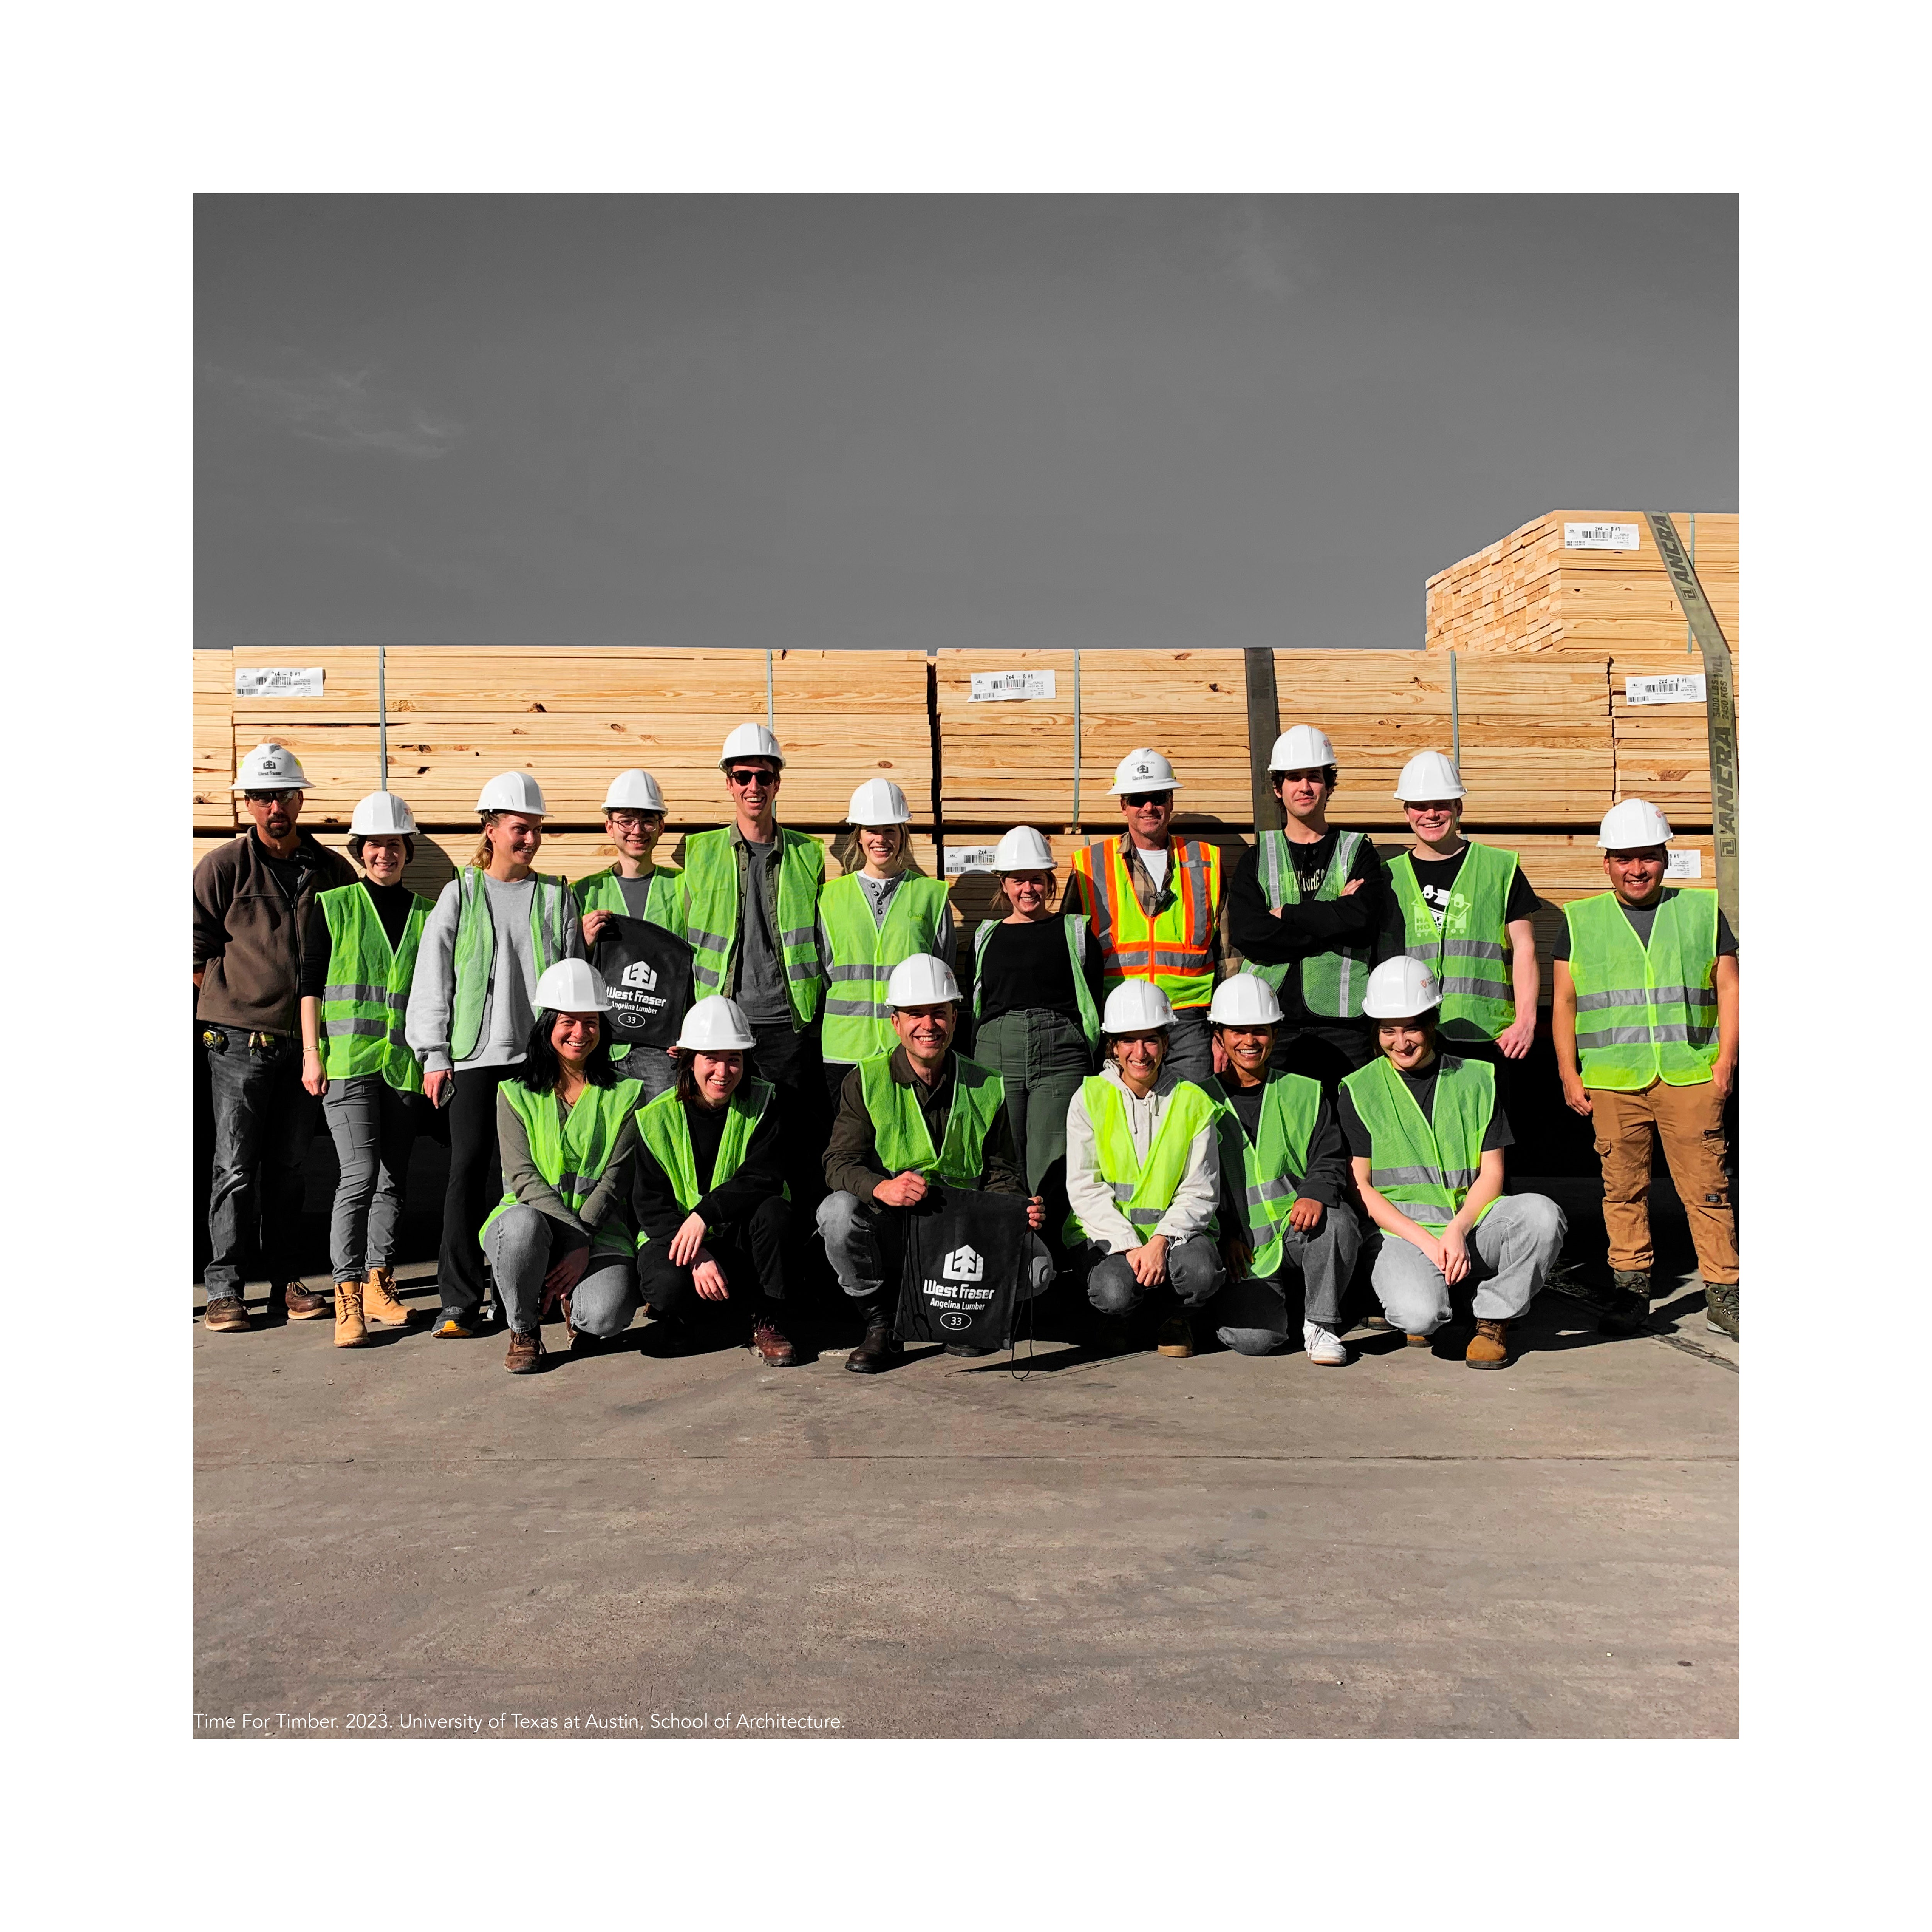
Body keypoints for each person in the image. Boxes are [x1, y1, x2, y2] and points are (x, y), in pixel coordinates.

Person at [1553, 798, 1740, 1340]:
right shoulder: (1580, 919)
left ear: (1666, 858)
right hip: (1613, 1080)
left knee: (1707, 1188)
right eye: (1625, 859)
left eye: (1649, 858)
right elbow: (1564, 1002)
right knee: (1623, 1190)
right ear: (1606, 863)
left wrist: (1726, 1061)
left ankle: (1724, 1293)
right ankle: (1630, 1293)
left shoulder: (1703, 912)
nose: (1638, 870)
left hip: (1690, 1074)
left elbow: (1728, 987)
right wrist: (1568, 1071)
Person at [406, 770, 581, 1340]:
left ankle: (518, 1300)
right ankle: (458, 1301)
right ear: (491, 829)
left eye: (535, 830)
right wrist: (434, 1055)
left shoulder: (559, 898)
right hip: (475, 1060)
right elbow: (433, 980)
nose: (528, 840)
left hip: (538, 1063)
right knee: (466, 1174)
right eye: (517, 829)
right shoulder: (462, 893)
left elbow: (575, 983)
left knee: (531, 1181)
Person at [818, 954, 1051, 1372]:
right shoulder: (865, 1079)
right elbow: (838, 1162)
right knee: (835, 1214)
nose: (928, 1025)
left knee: (1037, 1267)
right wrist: (879, 1187)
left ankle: (964, 1323)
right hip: (894, 1226)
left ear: (954, 1019)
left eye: (938, 1013)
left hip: (960, 1231)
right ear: (896, 1023)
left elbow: (1001, 1171)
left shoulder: (985, 1083)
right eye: (915, 1014)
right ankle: (882, 1326)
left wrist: (1017, 1209)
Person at [194, 742, 357, 1331]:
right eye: (261, 797)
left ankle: (286, 1280)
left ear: (299, 798)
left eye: (283, 795)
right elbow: (194, 947)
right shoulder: (223, 867)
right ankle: (225, 1289)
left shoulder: (331, 869)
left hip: (309, 1044)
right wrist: (229, 1007)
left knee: (290, 1167)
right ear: (248, 804)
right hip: (239, 1043)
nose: (273, 807)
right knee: (234, 1167)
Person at [1340, 958, 1566, 1369]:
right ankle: (1435, 1295)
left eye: (1410, 1027)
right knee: (1418, 1316)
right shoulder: (1359, 1089)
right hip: (1404, 1234)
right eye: (1388, 1030)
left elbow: (1492, 1173)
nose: (1400, 1041)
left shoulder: (1478, 1078)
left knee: (1541, 1214)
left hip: (1471, 1224)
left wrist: (1458, 1228)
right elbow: (1362, 1187)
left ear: (1432, 1022)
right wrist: (1430, 1243)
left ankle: (1492, 1318)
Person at [297, 789, 435, 1346]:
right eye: (375, 844)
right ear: (360, 849)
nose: (385, 853)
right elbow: (309, 986)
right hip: (348, 1064)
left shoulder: (427, 914)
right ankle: (347, 1293)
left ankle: (380, 1281)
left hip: (402, 1067)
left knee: (393, 1181)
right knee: (357, 1174)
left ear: (407, 850)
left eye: (395, 844)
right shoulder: (333, 906)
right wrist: (312, 1054)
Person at [677, 723, 828, 1211]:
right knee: (726, 1137)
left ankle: (794, 1241)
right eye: (742, 776)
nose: (752, 787)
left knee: (793, 1137)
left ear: (777, 782)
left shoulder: (808, 854)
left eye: (763, 777)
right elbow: (683, 945)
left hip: (789, 1022)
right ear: (728, 783)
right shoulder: (700, 853)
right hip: (723, 1021)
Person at [480, 960, 646, 1374]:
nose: (580, 1032)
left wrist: (582, 1241)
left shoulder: (627, 1094)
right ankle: (524, 1329)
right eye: (568, 1021)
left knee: (605, 1317)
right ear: (547, 1024)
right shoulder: (514, 1093)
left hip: (599, 1225)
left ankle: (579, 1309)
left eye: (591, 1022)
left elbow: (615, 1181)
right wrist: (572, 1240)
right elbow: (522, 1177)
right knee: (521, 1227)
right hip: (532, 1222)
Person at [1204, 973, 1361, 1365]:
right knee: (1255, 1340)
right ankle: (1245, 1308)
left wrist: (1314, 1192)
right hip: (1242, 1247)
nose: (1249, 1041)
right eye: (1237, 1031)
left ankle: (1320, 1322)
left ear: (1275, 1034)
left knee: (1338, 1221)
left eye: (1259, 1030)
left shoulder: (1304, 1091)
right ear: (1219, 1036)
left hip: (1296, 1230)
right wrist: (1224, 1234)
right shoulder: (1198, 1100)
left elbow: (1328, 1156)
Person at [1064, 981, 1226, 1359]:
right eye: (1128, 1041)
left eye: (1150, 1040)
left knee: (1201, 1272)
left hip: (1175, 1240)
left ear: (1166, 1043)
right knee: (1113, 1291)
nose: (1140, 1052)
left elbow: (1200, 1190)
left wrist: (1159, 1242)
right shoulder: (1088, 1097)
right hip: (1108, 1238)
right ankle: (1120, 1316)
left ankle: (1176, 1317)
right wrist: (1131, 1245)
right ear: (1114, 1046)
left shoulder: (1193, 1101)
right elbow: (1085, 1188)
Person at [633, 996, 794, 1367]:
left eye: (734, 1058)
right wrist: (696, 1252)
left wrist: (705, 1214)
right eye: (711, 1058)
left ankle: (765, 1319)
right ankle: (683, 1316)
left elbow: (764, 1176)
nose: (723, 1071)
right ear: (688, 1059)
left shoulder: (766, 1103)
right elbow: (649, 1206)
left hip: (739, 1235)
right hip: (676, 1238)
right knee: (667, 1287)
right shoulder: (655, 1119)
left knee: (776, 1212)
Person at [961, 826, 1104, 1241]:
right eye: (1018, 878)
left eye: (1037, 878)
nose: (1028, 888)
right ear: (1003, 883)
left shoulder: (1075, 933)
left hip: (1059, 1056)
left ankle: (1050, 1259)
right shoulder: (985, 938)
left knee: (1053, 1160)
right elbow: (977, 1004)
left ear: (1050, 881)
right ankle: (1006, 1253)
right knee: (1002, 1157)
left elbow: (1091, 1000)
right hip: (996, 1053)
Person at [1226, 724, 1386, 1091]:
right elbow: (1250, 934)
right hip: (1271, 1024)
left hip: (1345, 1025)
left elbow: (1362, 922)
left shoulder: (1358, 850)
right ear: (1278, 790)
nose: (1305, 787)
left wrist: (1288, 915)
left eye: (1314, 777)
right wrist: (1331, 922)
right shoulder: (1256, 858)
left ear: (1329, 785)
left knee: (1348, 1132)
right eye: (1294, 778)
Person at [1063, 748, 1225, 1090]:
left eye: (1157, 797)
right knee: (1124, 1125)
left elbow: (1230, 954)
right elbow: (1068, 958)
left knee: (1194, 1116)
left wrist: (1224, 1031)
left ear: (1170, 800)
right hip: (1121, 1019)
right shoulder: (1090, 865)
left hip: (1189, 1019)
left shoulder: (1206, 861)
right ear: (1124, 804)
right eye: (1139, 799)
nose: (1148, 807)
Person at [1382, 750, 1541, 1078]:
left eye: (1442, 804)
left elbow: (1525, 949)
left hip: (1488, 1035)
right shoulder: (1387, 878)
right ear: (1406, 811)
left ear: (1459, 807)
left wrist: (1526, 1021)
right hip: (1412, 1037)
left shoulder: (1499, 869)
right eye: (1420, 806)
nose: (1431, 814)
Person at [818, 777, 954, 1094]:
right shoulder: (829, 898)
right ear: (860, 837)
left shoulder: (931, 895)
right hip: (844, 1049)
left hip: (911, 1046)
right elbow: (822, 972)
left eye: (890, 830)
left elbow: (942, 970)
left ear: (902, 835)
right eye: (872, 830)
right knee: (850, 1141)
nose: (881, 839)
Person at [574, 767, 685, 1099]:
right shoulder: (585, 892)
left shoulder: (683, 889)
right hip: (601, 1046)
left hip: (662, 1050)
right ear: (610, 827)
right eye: (627, 821)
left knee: (659, 1137)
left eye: (648, 821)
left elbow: (698, 966)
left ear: (661, 827)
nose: (638, 831)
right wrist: (581, 943)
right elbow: (566, 969)